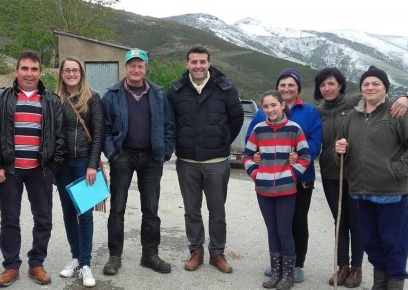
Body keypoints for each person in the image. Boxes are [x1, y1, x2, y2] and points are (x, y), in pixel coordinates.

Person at [314, 67, 408, 288]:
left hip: (357, 177)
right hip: (332, 172)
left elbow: (382, 97)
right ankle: (342, 267)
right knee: (341, 222)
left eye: (331, 83)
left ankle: (356, 268)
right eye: (322, 85)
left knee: (359, 225)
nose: (327, 88)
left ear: (340, 85)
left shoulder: (355, 102)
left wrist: (406, 98)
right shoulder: (318, 111)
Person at [335, 66, 408, 290]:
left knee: (394, 243)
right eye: (366, 84)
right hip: (360, 192)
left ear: (385, 88)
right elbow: (340, 160)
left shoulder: (398, 113)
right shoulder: (352, 118)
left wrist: (394, 171)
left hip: (391, 193)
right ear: (361, 88)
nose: (370, 87)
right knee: (372, 243)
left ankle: (394, 284)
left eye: (376, 83)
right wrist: (339, 151)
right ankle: (380, 284)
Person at [0, 50, 65, 286]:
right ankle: (11, 266)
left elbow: (58, 137)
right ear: (17, 71)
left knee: (43, 219)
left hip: (40, 170)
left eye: (34, 69)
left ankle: (36, 263)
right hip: (9, 171)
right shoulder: (1, 98)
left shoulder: (51, 100)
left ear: (40, 72)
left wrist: (52, 168)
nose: (29, 74)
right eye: (25, 69)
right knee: (9, 219)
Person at [166, 46, 244, 273]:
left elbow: (236, 118)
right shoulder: (176, 91)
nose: (198, 66)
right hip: (187, 161)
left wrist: (222, 140)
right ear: (187, 64)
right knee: (192, 210)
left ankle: (217, 253)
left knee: (217, 210)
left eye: (202, 61)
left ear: (209, 63)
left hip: (216, 161)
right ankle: (196, 251)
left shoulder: (225, 89)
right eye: (193, 62)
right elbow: (170, 121)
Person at [102, 48, 175, 275]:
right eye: (132, 65)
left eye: (140, 65)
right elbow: (103, 129)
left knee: (151, 209)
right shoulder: (112, 95)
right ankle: (115, 257)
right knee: (118, 208)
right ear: (126, 68)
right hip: (123, 156)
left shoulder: (158, 95)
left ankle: (149, 255)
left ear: (145, 68)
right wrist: (113, 153)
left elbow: (170, 127)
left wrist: (165, 152)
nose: (136, 69)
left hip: (151, 158)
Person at [246, 68, 322, 283]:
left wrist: (293, 170)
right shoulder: (260, 125)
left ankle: (292, 269)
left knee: (291, 226)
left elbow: (309, 152)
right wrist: (256, 171)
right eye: (266, 106)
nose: (270, 109)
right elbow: (248, 152)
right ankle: (276, 269)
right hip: (264, 187)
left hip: (291, 184)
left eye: (291, 84)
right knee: (273, 230)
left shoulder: (301, 120)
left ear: (282, 105)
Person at [54, 56, 104, 287]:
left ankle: (85, 263)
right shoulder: (56, 100)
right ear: (62, 74)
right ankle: (75, 257)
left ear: (81, 74)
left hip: (84, 162)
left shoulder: (93, 98)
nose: (71, 74)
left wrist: (92, 165)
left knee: (84, 214)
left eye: (75, 70)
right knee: (67, 212)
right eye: (67, 70)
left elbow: (98, 134)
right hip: (63, 164)